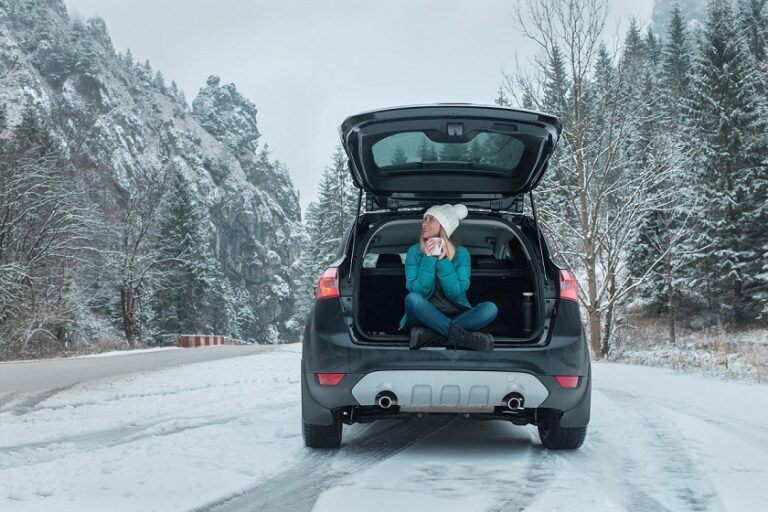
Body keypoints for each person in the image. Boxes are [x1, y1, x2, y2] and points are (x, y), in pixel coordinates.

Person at [399, 204, 498, 351]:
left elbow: (457, 292)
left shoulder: (462, 254)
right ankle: (464, 338)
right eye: (424, 219)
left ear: (444, 226)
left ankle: (429, 336)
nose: (424, 224)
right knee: (412, 299)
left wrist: (443, 261)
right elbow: (418, 292)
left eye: (431, 220)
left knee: (490, 308)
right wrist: (429, 259)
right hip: (422, 317)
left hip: (457, 315)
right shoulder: (414, 252)